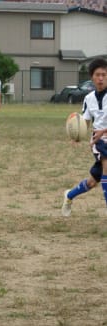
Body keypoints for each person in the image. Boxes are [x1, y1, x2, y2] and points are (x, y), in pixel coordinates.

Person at [62, 58, 107, 216]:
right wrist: (76, 136)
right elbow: (85, 122)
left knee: (93, 181)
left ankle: (69, 195)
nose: (101, 78)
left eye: (104, 74)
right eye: (97, 75)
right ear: (92, 77)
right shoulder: (89, 99)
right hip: (99, 141)